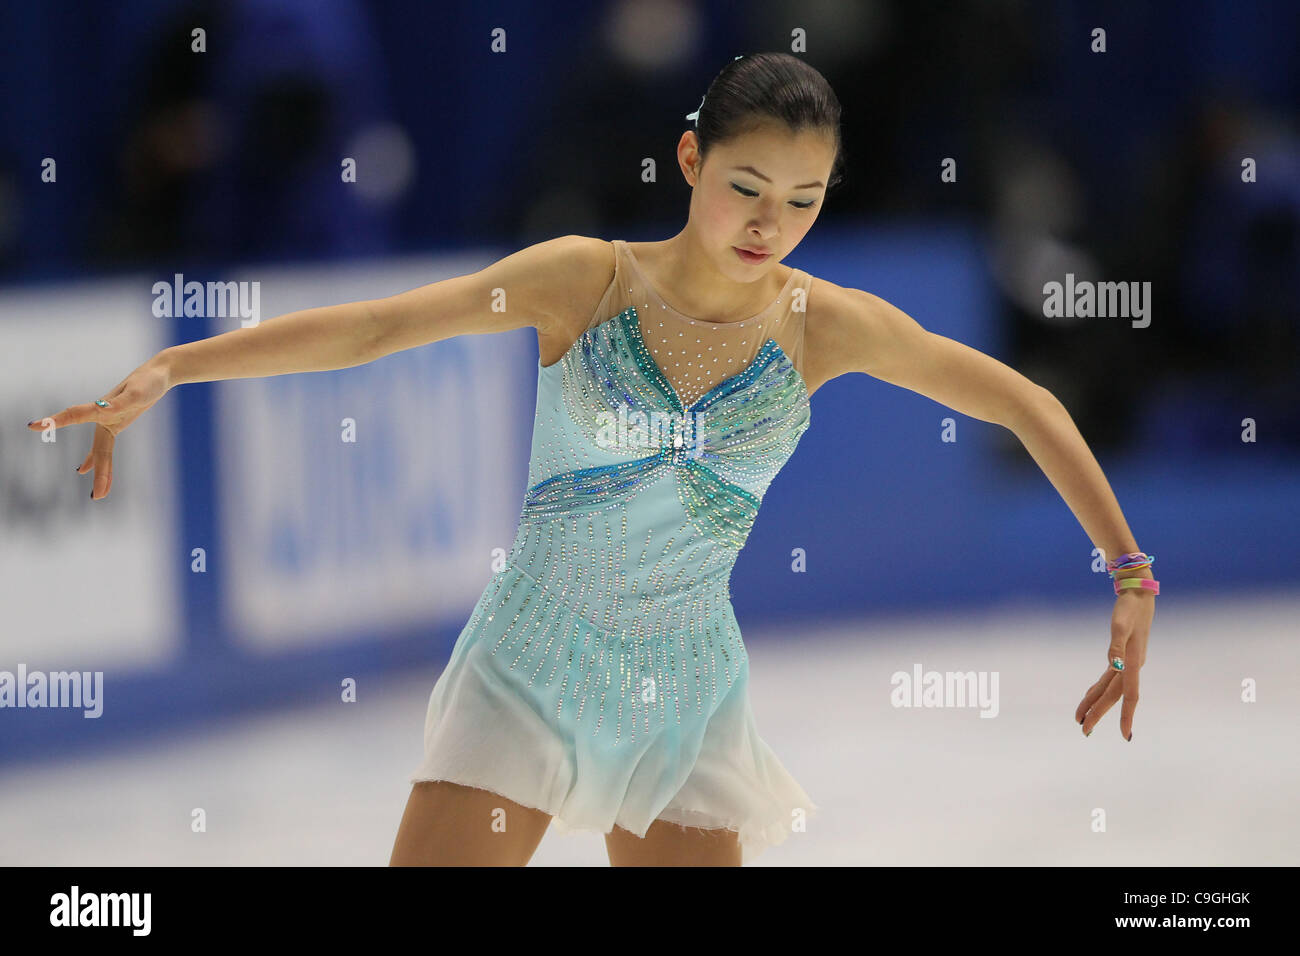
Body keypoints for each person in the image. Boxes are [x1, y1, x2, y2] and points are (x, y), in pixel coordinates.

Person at [26, 52, 1157, 866]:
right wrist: (176, 367)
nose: (771, 221)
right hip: (529, 664)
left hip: (686, 689)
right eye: (747, 186)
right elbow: (377, 326)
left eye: (804, 199)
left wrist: (1127, 570)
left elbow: (1025, 403)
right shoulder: (587, 279)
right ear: (688, 159)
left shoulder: (827, 325)